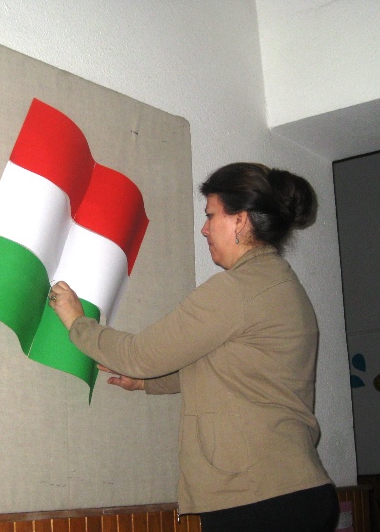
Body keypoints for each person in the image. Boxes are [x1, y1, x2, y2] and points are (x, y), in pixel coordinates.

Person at [48, 162, 340, 532]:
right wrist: (148, 383)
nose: (204, 228)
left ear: (240, 220)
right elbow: (228, 368)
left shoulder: (238, 290)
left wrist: (77, 322)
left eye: (211, 215)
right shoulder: (281, 286)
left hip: (258, 500)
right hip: (291, 494)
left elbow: (139, 355)